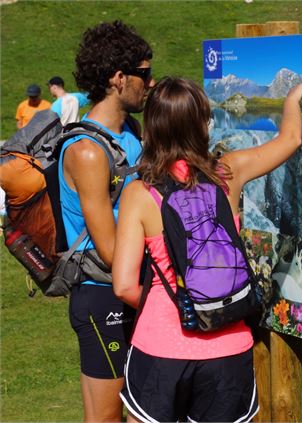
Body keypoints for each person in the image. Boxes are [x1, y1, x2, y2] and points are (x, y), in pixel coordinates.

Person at [112, 76, 302, 422]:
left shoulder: (139, 194)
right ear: (203, 124)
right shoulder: (228, 173)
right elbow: (290, 139)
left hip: (160, 347)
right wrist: (292, 99)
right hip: (227, 346)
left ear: (152, 128)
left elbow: (125, 285)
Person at [60, 21, 153, 422]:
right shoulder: (87, 151)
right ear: (119, 78)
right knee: (107, 418)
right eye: (144, 74)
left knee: (142, 414)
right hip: (103, 297)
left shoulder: (131, 131)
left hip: (133, 288)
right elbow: (112, 250)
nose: (150, 84)